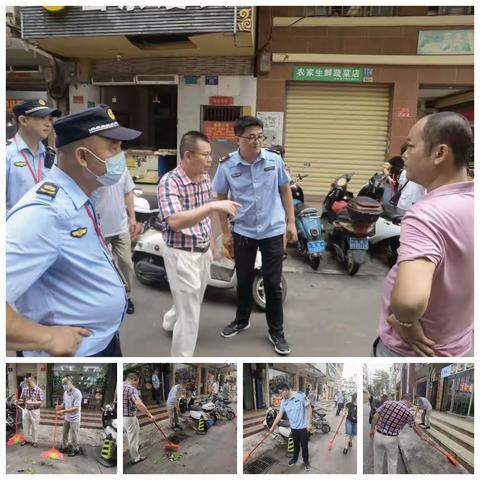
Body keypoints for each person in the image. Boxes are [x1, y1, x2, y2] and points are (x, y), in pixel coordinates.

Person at [6, 105, 142, 357]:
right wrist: (46, 337)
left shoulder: (81, 195)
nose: (120, 155)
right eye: (113, 147)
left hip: (100, 341)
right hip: (74, 354)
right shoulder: (45, 213)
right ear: (82, 157)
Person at [374, 112, 474, 357]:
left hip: (410, 351)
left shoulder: (426, 215)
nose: (404, 155)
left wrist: (404, 322)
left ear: (439, 153)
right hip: (458, 344)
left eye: (411, 146)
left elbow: (409, 301)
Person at [212, 116, 297, 355]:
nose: (257, 141)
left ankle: (276, 331)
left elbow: (285, 189)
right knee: (244, 278)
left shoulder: (274, 160)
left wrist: (291, 222)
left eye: (260, 136)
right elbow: (221, 198)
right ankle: (242, 319)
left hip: (272, 230)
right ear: (237, 138)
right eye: (251, 137)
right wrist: (226, 232)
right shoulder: (227, 165)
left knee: (272, 283)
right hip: (243, 231)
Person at [158, 130, 240, 357]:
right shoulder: (169, 182)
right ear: (187, 156)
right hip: (180, 253)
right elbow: (174, 221)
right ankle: (181, 359)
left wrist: (211, 240)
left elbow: (203, 215)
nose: (210, 160)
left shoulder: (204, 179)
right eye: (204, 155)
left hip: (202, 251)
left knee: (192, 299)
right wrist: (214, 207)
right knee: (190, 314)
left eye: (210, 154)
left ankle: (169, 320)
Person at [96, 169, 142, 314]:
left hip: (120, 226)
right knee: (100, 266)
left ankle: (127, 297)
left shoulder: (122, 170)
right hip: (99, 228)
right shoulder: (93, 169)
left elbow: (128, 194)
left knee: (126, 262)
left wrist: (133, 217)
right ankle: (103, 298)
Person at [6, 99, 61, 211]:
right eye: (42, 118)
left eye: (50, 119)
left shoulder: (49, 156)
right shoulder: (7, 154)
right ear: (23, 120)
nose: (48, 124)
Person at [369, 394, 422, 474]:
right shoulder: (408, 413)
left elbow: (375, 416)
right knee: (392, 461)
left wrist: (372, 429)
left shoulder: (388, 403)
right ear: (409, 401)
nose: (411, 406)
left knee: (378, 460)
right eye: (411, 403)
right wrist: (422, 436)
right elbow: (415, 427)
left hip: (378, 436)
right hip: (391, 439)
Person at [269, 383, 312, 471]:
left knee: (304, 446)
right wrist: (273, 426)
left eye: (281, 393)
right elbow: (280, 414)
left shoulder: (300, 395)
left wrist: (309, 423)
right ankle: (295, 458)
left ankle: (306, 461)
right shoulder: (284, 401)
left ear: (286, 390)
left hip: (303, 427)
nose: (280, 396)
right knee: (295, 445)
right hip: (294, 427)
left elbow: (309, 408)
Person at [123, 372, 155, 465]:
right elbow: (138, 403)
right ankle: (135, 458)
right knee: (132, 438)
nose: (137, 385)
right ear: (134, 380)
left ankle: (135, 448)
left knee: (132, 436)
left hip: (122, 417)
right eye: (137, 382)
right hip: (129, 418)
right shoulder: (132, 389)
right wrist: (150, 415)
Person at [57, 375, 83, 456]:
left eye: (65, 383)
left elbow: (76, 408)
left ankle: (75, 449)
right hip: (67, 417)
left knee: (74, 435)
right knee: (64, 433)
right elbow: (65, 403)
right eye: (62, 383)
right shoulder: (65, 392)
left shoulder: (77, 393)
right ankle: (65, 446)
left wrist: (63, 411)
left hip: (75, 418)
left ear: (70, 382)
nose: (63, 385)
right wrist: (60, 406)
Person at [19, 374, 44, 448]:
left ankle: (34, 441)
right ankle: (25, 439)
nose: (27, 384)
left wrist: (31, 402)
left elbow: (41, 402)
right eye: (26, 382)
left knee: (35, 427)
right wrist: (18, 401)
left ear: (33, 381)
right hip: (26, 410)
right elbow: (22, 399)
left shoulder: (39, 390)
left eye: (29, 382)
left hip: (35, 411)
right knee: (25, 426)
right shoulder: (25, 389)